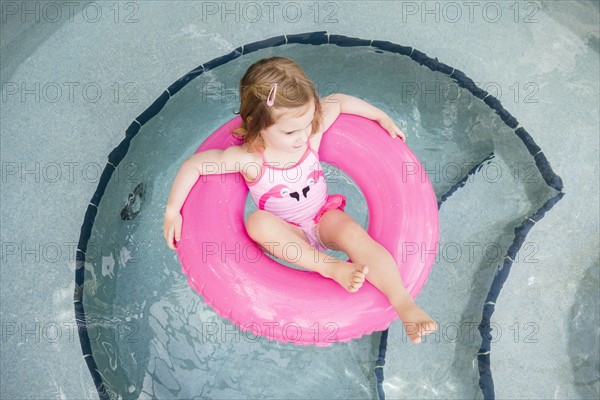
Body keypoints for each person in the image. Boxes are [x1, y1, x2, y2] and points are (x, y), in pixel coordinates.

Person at [163, 57, 436, 343]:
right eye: (290, 131)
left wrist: (381, 116)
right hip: (287, 231)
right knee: (258, 223)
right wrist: (172, 211)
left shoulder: (310, 136)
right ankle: (331, 268)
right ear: (257, 123)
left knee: (353, 234)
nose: (302, 136)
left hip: (322, 217)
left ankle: (406, 306)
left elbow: (338, 101)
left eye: (306, 124)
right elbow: (195, 165)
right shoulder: (250, 160)